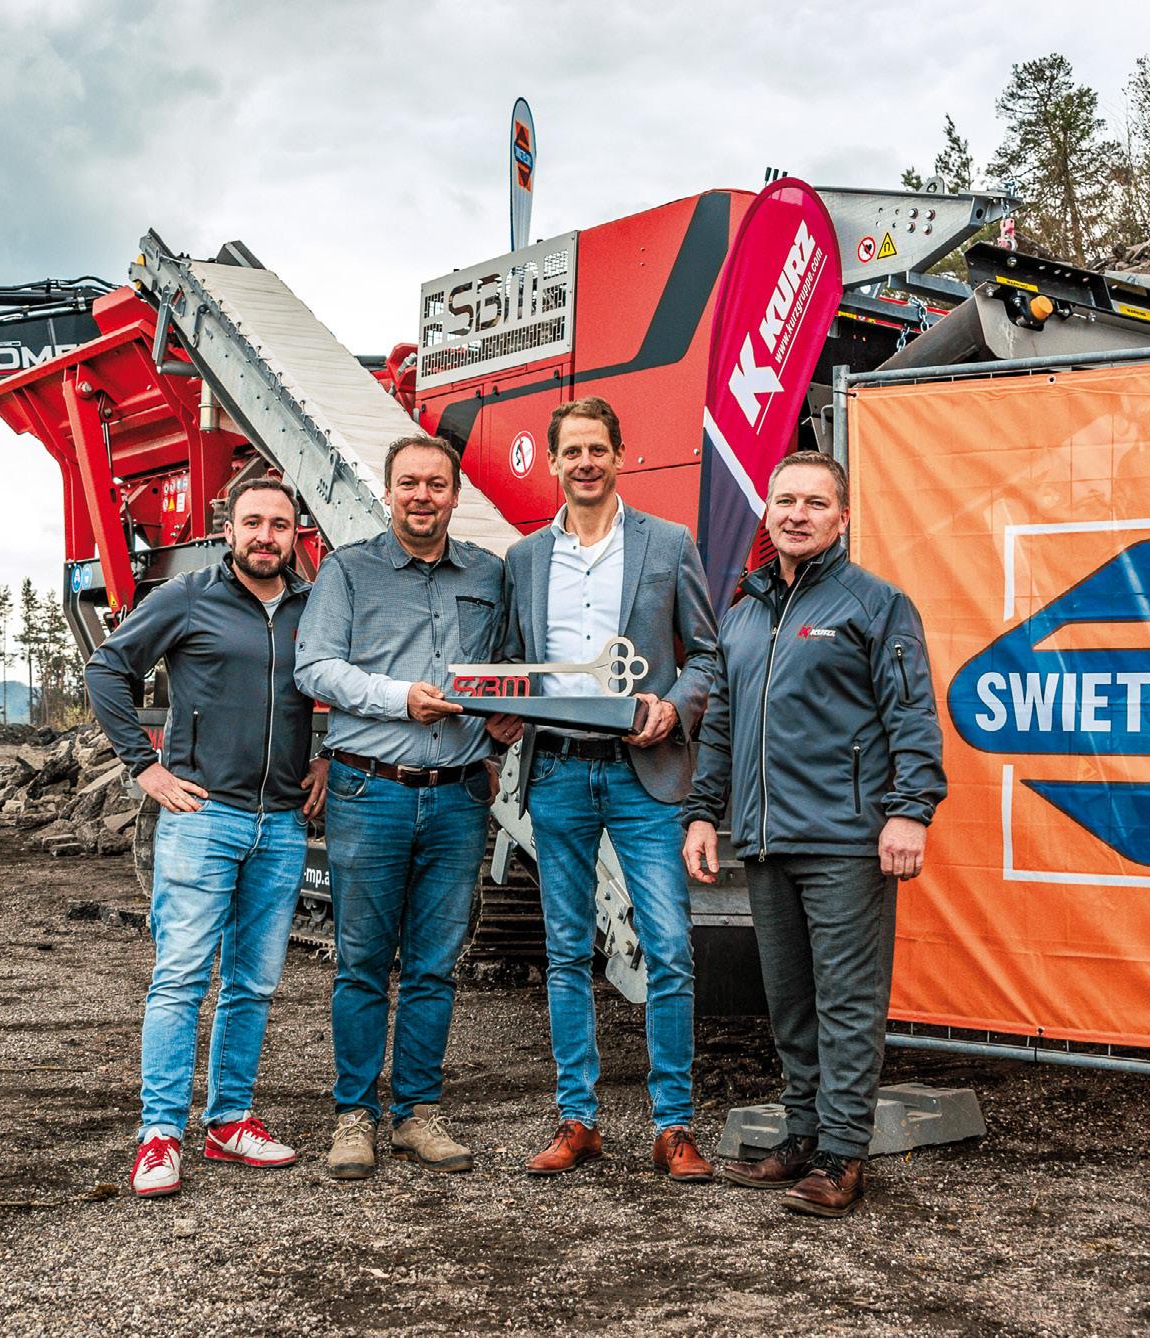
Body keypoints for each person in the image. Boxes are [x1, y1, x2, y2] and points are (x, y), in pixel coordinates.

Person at [683, 451, 946, 1218]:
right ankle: (800, 1136)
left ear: (842, 517)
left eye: (814, 502)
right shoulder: (744, 613)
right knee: (790, 1001)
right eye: (785, 500)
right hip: (766, 840)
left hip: (844, 840)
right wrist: (701, 812)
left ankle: (841, 1157)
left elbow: (910, 713)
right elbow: (721, 726)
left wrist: (909, 809)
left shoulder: (874, 604)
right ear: (767, 512)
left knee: (846, 1002)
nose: (796, 514)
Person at [494, 395, 718, 1181]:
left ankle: (673, 1126)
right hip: (556, 770)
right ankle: (577, 1120)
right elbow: (512, 663)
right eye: (571, 451)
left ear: (620, 456)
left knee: (669, 949)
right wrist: (499, 707)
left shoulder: (668, 543)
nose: (585, 463)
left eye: (598, 449)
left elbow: (706, 656)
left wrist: (674, 706)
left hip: (641, 773)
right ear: (553, 463)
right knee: (564, 951)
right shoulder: (524, 560)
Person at [85, 475, 327, 1199]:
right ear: (229, 530)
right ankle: (159, 1135)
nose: (265, 536)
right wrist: (144, 767)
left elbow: (337, 688)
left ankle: (228, 1122)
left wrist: (327, 755)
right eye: (253, 522)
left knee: (253, 982)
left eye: (278, 525)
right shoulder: (187, 597)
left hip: (281, 822)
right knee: (182, 977)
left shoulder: (313, 607)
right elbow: (107, 669)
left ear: (294, 534)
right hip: (203, 818)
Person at [295, 434, 504, 1179]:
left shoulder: (488, 574)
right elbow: (314, 666)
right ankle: (353, 1116)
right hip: (369, 791)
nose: (422, 496)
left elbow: (507, 670)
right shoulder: (348, 571)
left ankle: (418, 1113)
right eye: (409, 483)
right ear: (388, 493)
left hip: (458, 797)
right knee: (362, 963)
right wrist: (397, 698)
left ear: (455, 495)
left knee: (433, 966)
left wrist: (504, 725)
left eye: (436, 484)